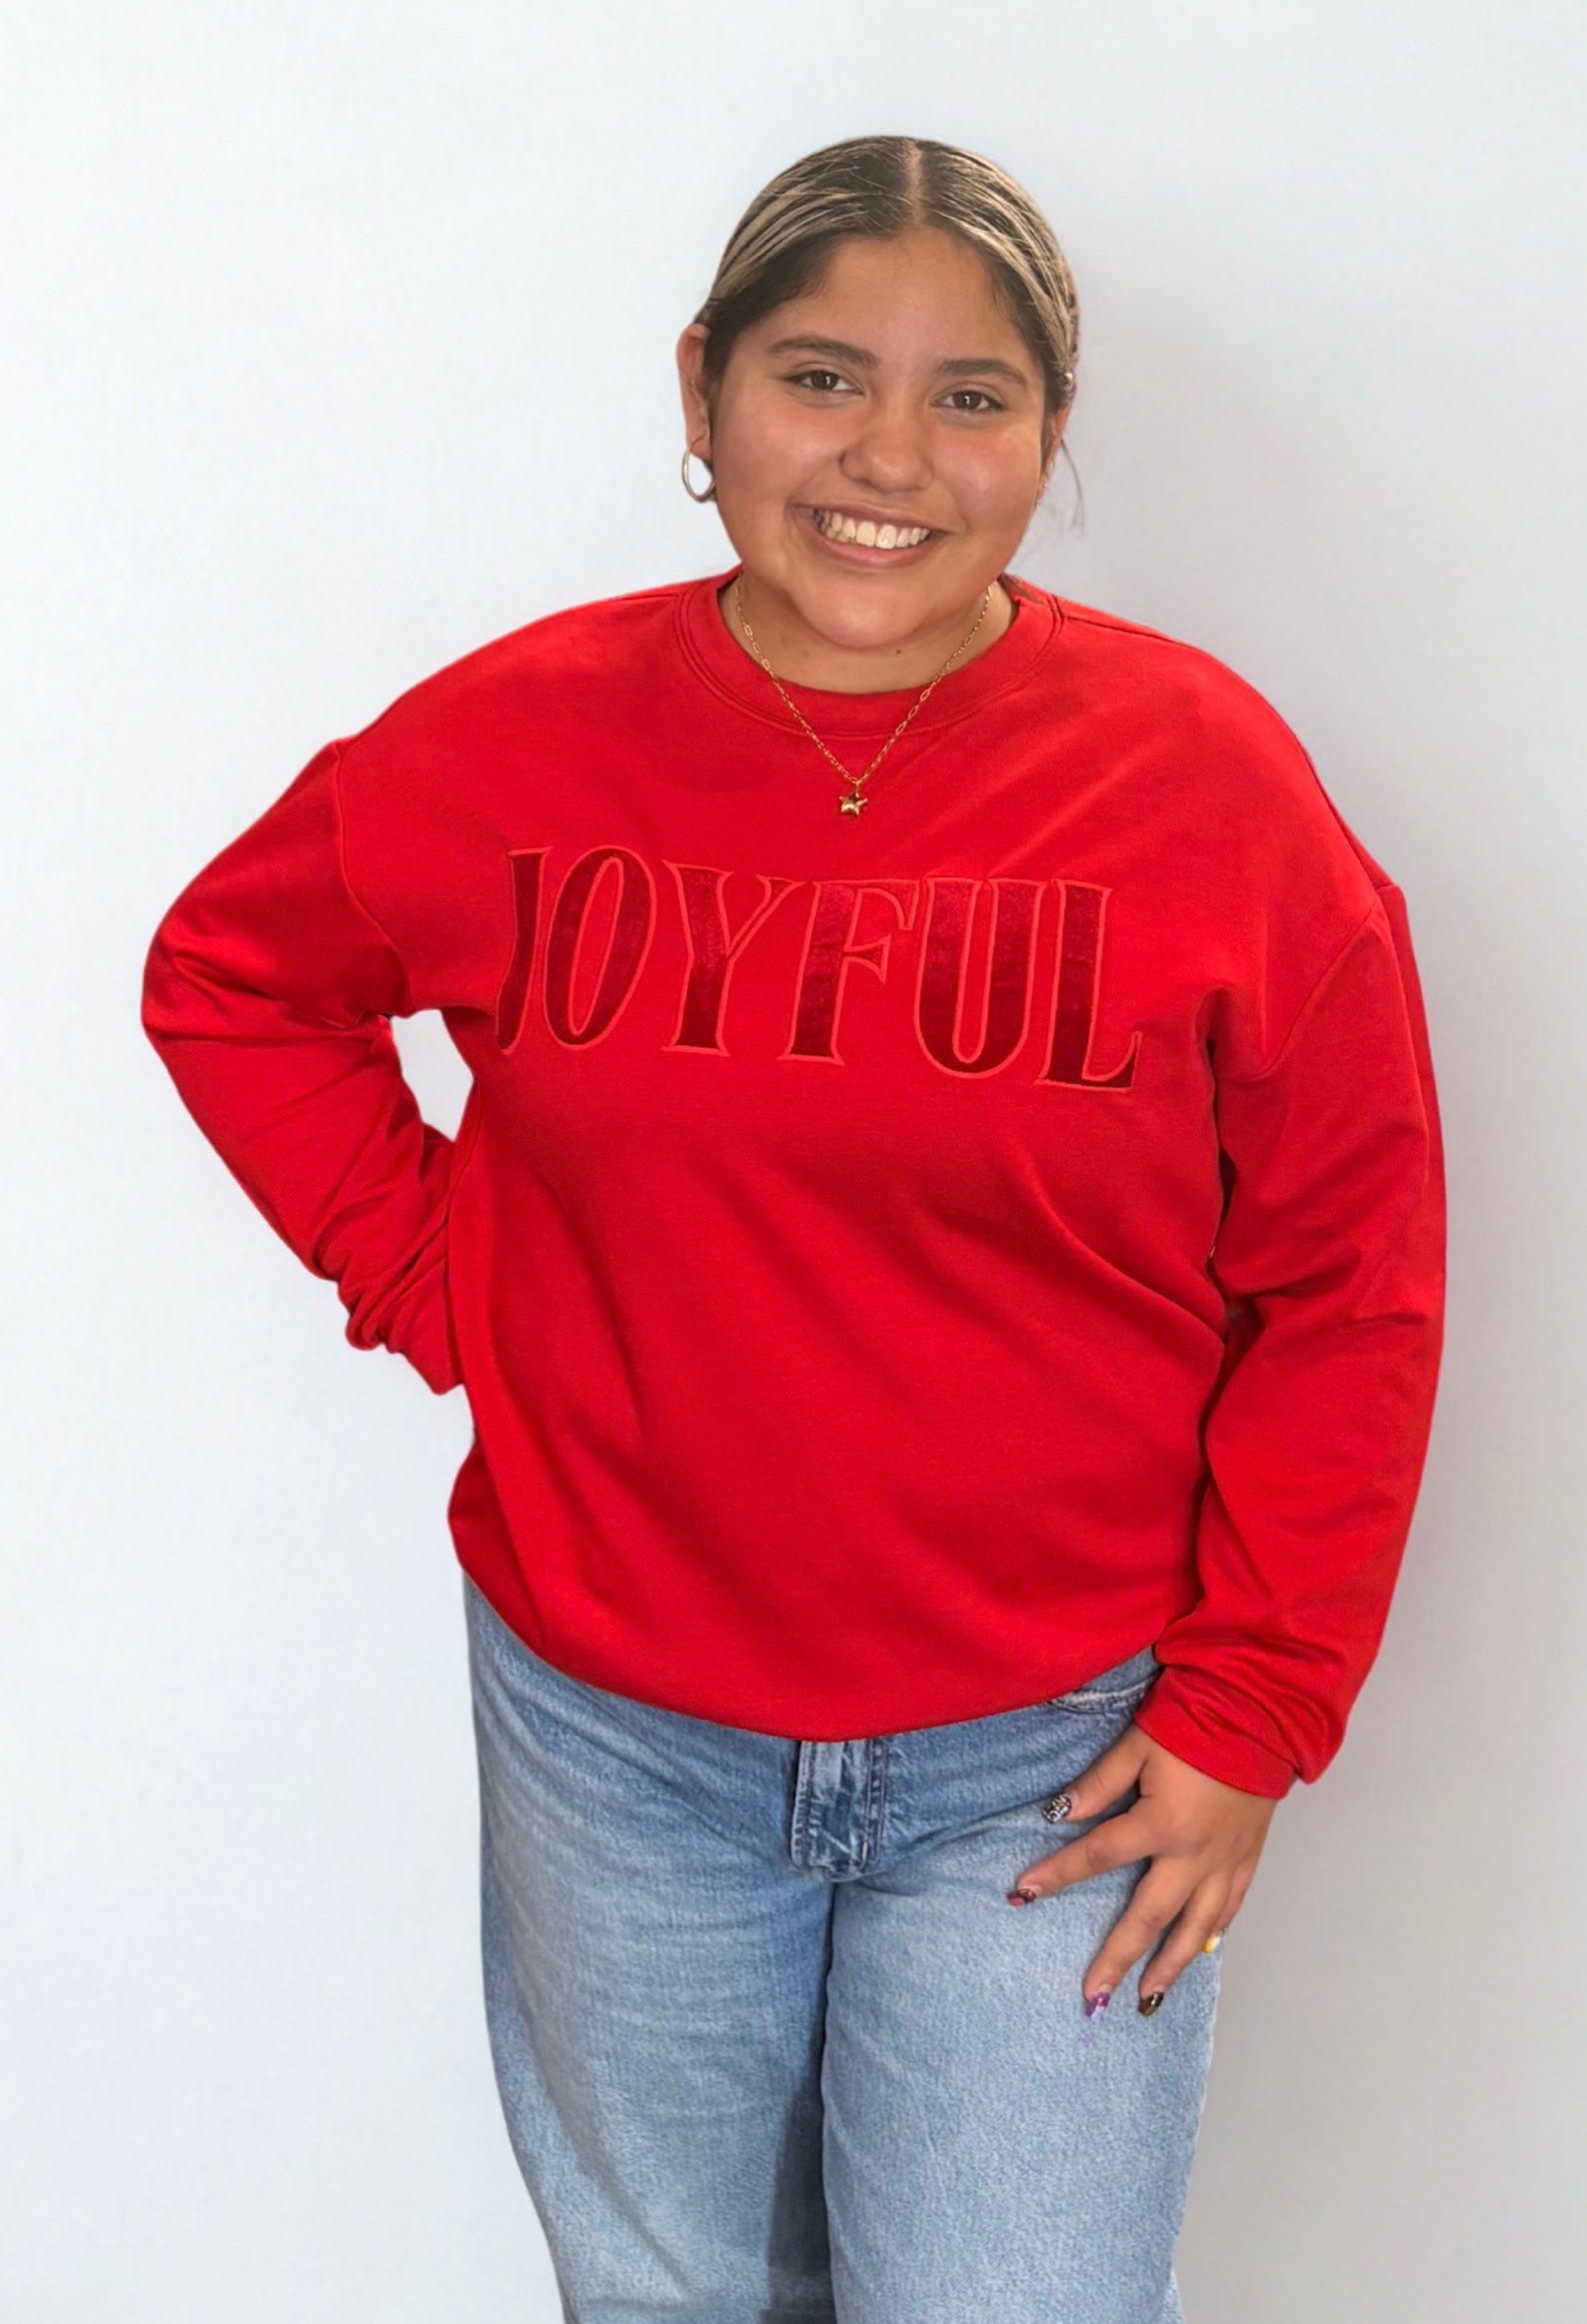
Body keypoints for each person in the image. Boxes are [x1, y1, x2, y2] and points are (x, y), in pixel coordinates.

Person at [140, 133, 1446, 2324]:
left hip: (1058, 1754)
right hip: (613, 1732)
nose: (887, 458)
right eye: (820, 375)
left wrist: (1254, 1702)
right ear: (702, 389)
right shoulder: (519, 737)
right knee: (673, 2296)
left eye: (970, 397)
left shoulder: (1208, 787)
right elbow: (233, 978)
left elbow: (1351, 1273)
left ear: (1048, 434)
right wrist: (451, 1284)